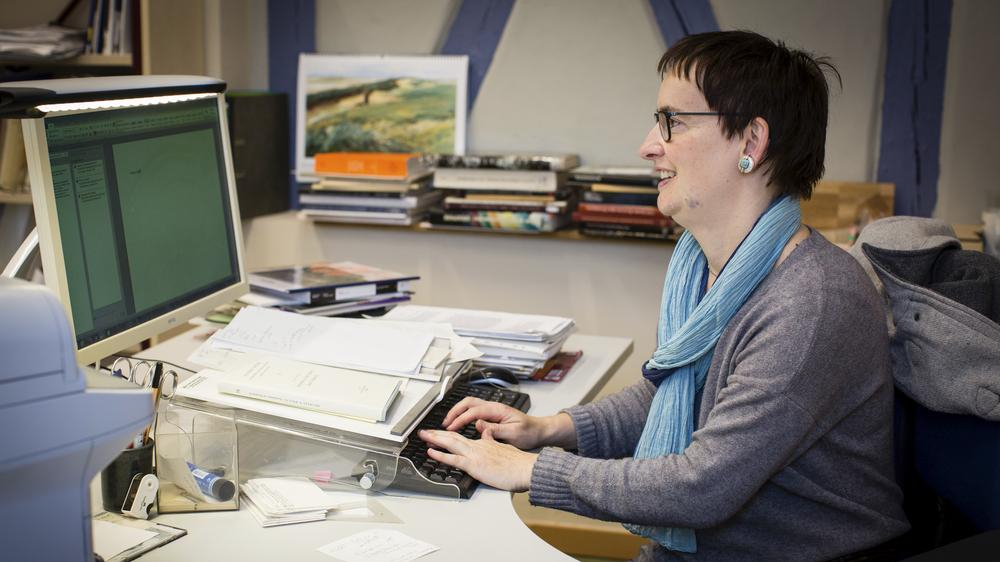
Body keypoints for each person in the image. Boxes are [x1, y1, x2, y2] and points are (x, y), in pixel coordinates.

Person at [418, 30, 909, 561]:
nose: (649, 145)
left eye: (673, 122)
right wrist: (548, 429)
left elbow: (702, 486)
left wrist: (529, 470)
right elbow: (669, 395)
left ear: (750, 142)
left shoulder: (811, 302)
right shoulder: (705, 267)